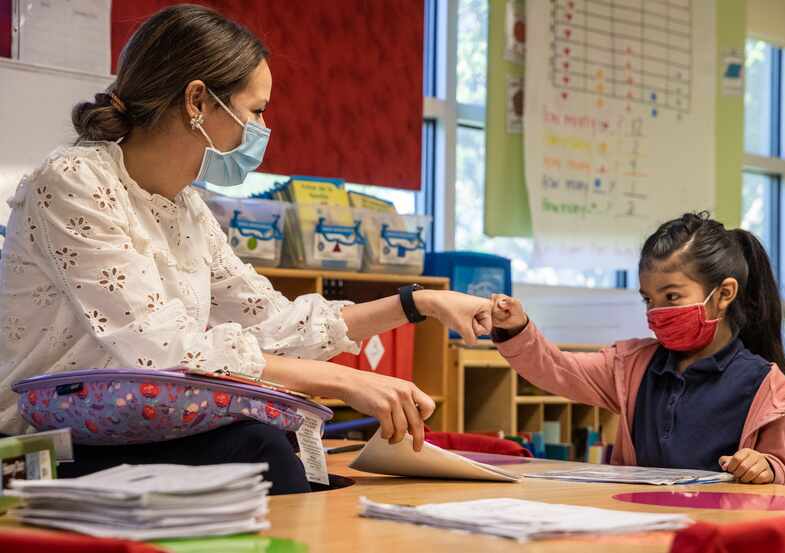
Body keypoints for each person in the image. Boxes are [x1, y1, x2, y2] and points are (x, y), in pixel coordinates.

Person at [0, 4, 492, 494]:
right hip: (43, 447)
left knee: (272, 446)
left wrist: (418, 303)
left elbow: (274, 325)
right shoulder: (73, 182)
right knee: (261, 448)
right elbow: (157, 349)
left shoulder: (187, 209)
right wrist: (341, 381)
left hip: (126, 429)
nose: (261, 130)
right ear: (197, 101)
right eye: (255, 110)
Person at [491, 212, 785, 487]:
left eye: (671, 298)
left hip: (713, 534)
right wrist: (516, 328)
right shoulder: (630, 366)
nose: (656, 312)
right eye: (648, 300)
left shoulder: (773, 391)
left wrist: (767, 468)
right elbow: (555, 369)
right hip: (638, 526)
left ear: (724, 293)